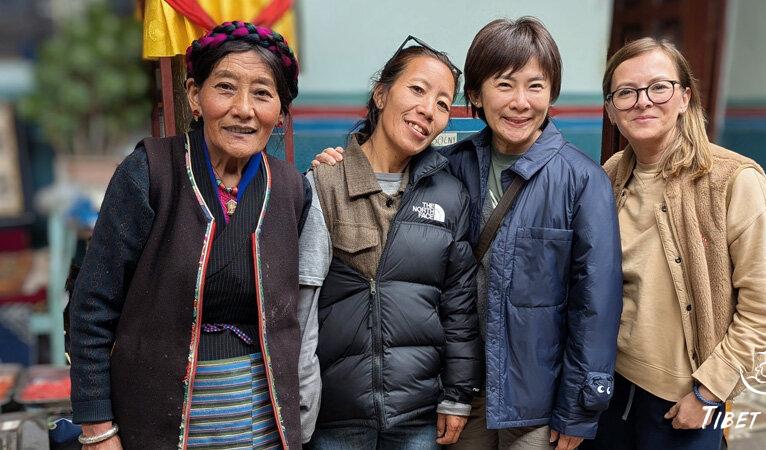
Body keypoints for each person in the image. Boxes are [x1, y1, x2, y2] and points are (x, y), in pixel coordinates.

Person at [314, 17, 622, 450]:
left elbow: (596, 302)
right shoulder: (449, 165)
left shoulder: (582, 179)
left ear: (551, 93)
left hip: (537, 399)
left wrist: (579, 407)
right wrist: (336, 163)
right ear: (476, 94)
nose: (520, 102)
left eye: (535, 86)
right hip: (461, 392)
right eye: (504, 84)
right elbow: (387, 177)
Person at [69, 21, 311, 449]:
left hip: (263, 426)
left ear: (279, 111)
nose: (243, 109)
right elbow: (91, 308)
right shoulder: (150, 173)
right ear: (194, 96)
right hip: (161, 425)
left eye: (262, 93)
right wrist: (97, 428)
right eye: (225, 87)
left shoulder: (291, 188)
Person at [581, 37, 766, 450]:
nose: (643, 102)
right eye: (626, 92)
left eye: (659, 87)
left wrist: (709, 392)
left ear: (684, 97)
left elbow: (765, 315)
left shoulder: (733, 181)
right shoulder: (610, 176)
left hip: (683, 403)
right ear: (611, 110)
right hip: (608, 388)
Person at [301, 36, 482, 450]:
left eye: (442, 103)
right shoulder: (324, 183)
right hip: (335, 417)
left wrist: (456, 397)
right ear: (381, 94)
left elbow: (458, 306)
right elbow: (299, 308)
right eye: (418, 90)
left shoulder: (449, 195)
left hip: (417, 417)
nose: (428, 110)